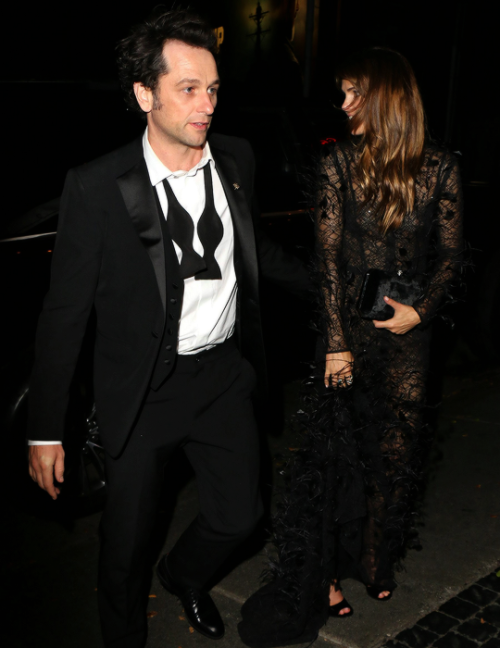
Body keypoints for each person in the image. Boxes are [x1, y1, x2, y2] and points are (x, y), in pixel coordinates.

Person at [26, 9, 310, 648]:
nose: (206, 104)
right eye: (188, 89)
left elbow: (255, 249)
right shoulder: (97, 187)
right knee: (123, 550)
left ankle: (184, 574)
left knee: (242, 516)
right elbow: (63, 317)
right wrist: (45, 430)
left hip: (223, 378)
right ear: (144, 95)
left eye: (212, 88)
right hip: (143, 390)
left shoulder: (236, 158)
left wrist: (339, 292)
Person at [239, 47, 463, 647]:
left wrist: (422, 310)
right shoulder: (339, 164)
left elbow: (450, 256)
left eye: (350, 93)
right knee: (336, 459)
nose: (341, 105)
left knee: (392, 457)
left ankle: (374, 557)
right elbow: (331, 264)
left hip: (409, 339)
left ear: (384, 96)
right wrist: (336, 343)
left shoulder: (439, 169)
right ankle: (327, 578)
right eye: (340, 93)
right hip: (348, 337)